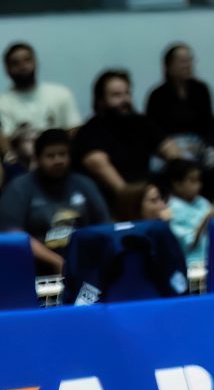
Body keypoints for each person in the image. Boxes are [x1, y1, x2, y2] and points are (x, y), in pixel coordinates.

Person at [0, 127, 105, 272]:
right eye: (50, 156)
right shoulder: (19, 187)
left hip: (83, 261)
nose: (58, 160)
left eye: (62, 154)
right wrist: (57, 262)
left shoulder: (84, 183)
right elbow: (12, 233)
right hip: (36, 266)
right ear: (38, 158)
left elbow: (103, 225)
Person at [71, 70, 156, 203]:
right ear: (101, 101)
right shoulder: (90, 132)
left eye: (127, 93)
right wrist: (141, 198)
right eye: (117, 95)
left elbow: (170, 150)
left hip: (147, 195)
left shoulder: (141, 123)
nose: (125, 100)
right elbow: (121, 189)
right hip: (115, 201)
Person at [146, 43, 214, 152]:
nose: (188, 65)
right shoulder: (157, 95)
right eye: (182, 61)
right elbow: (153, 129)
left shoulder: (201, 90)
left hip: (199, 142)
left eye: (190, 60)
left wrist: (203, 144)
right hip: (171, 144)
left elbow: (209, 123)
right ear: (168, 65)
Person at [0, 41, 77, 143]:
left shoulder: (61, 94)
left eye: (27, 60)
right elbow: (4, 141)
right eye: (15, 63)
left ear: (36, 62)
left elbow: (74, 129)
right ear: (7, 69)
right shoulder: (2, 103)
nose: (22, 66)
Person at [160, 156, 214, 276]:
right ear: (177, 184)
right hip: (191, 266)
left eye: (199, 180)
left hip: (211, 259)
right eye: (192, 181)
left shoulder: (202, 202)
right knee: (198, 286)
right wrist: (207, 219)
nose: (198, 185)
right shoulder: (171, 209)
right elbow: (188, 244)